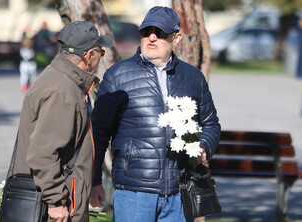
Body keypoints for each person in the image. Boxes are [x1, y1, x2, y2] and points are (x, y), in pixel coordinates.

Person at [89, 6, 220, 222]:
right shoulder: (118, 76)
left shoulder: (192, 77)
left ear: (176, 38)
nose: (151, 37)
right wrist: (95, 181)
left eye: (159, 33)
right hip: (134, 192)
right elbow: (98, 134)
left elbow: (211, 123)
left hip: (179, 193)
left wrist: (204, 146)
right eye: (145, 31)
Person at [11, 21, 112, 222]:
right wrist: (56, 201)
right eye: (101, 51)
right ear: (89, 55)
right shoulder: (61, 89)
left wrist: (90, 184)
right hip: (59, 205)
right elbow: (43, 153)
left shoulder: (63, 79)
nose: (102, 57)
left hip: (66, 196)